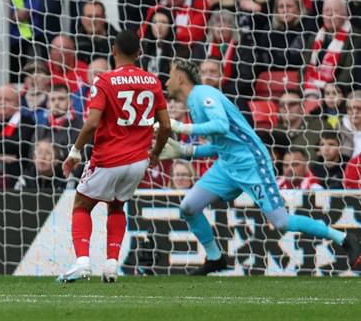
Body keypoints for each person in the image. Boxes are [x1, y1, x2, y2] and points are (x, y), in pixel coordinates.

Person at [157, 59, 361, 275]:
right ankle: (215, 258)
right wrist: (186, 151)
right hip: (227, 166)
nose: (166, 81)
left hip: (251, 163)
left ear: (180, 78)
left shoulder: (202, 94)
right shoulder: (193, 105)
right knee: (188, 207)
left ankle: (344, 238)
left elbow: (221, 125)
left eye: (170, 76)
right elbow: (219, 145)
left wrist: (181, 127)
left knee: (281, 222)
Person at [58, 30, 171, 283]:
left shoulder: (104, 81)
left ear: (113, 50)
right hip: (138, 162)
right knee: (117, 205)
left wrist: (75, 152)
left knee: (82, 205)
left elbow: (91, 123)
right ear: (139, 54)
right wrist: (154, 153)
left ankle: (83, 262)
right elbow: (165, 126)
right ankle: (111, 265)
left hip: (108, 158)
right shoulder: (152, 81)